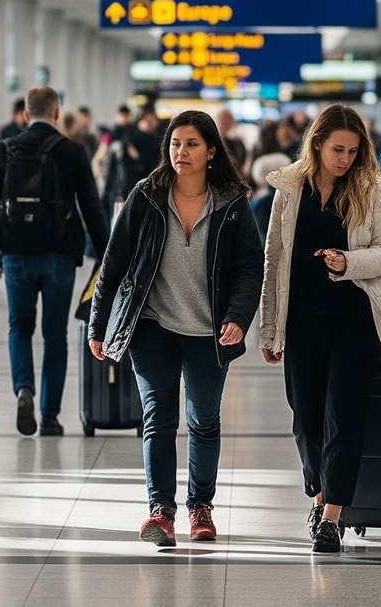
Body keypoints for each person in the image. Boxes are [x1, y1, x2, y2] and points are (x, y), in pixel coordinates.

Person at [89, 110, 263, 546]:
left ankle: (199, 506)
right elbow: (113, 263)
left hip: (210, 332)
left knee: (203, 421)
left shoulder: (231, 202)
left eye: (191, 144)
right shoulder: (145, 196)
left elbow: (249, 266)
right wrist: (98, 322)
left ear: (210, 151)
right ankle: (160, 510)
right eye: (175, 143)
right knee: (158, 420)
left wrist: (239, 317)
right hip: (153, 328)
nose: (181, 152)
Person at [259, 104, 381, 555]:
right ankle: (318, 496)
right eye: (337, 149)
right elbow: (274, 260)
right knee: (305, 419)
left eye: (353, 151)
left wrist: (348, 262)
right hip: (302, 318)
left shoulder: (371, 191)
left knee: (344, 416)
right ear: (316, 144)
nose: (345, 159)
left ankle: (331, 518)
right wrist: (269, 329)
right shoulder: (289, 189)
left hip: (355, 318)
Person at [0, 87, 111, 437]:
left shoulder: (6, 149)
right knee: (56, 336)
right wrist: (106, 254)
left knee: (19, 327)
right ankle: (50, 415)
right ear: (56, 113)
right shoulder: (71, 151)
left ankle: (24, 389)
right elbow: (91, 207)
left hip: (16, 255)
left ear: (25, 115)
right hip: (58, 257)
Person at [103, 108, 161, 213]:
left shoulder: (156, 139)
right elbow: (119, 168)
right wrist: (119, 191)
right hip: (130, 188)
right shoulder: (130, 139)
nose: (153, 124)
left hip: (148, 188)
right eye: (149, 121)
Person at [214, 109, 249, 178]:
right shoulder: (213, 140)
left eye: (229, 119)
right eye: (224, 119)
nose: (226, 122)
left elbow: (241, 162)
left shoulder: (238, 142)